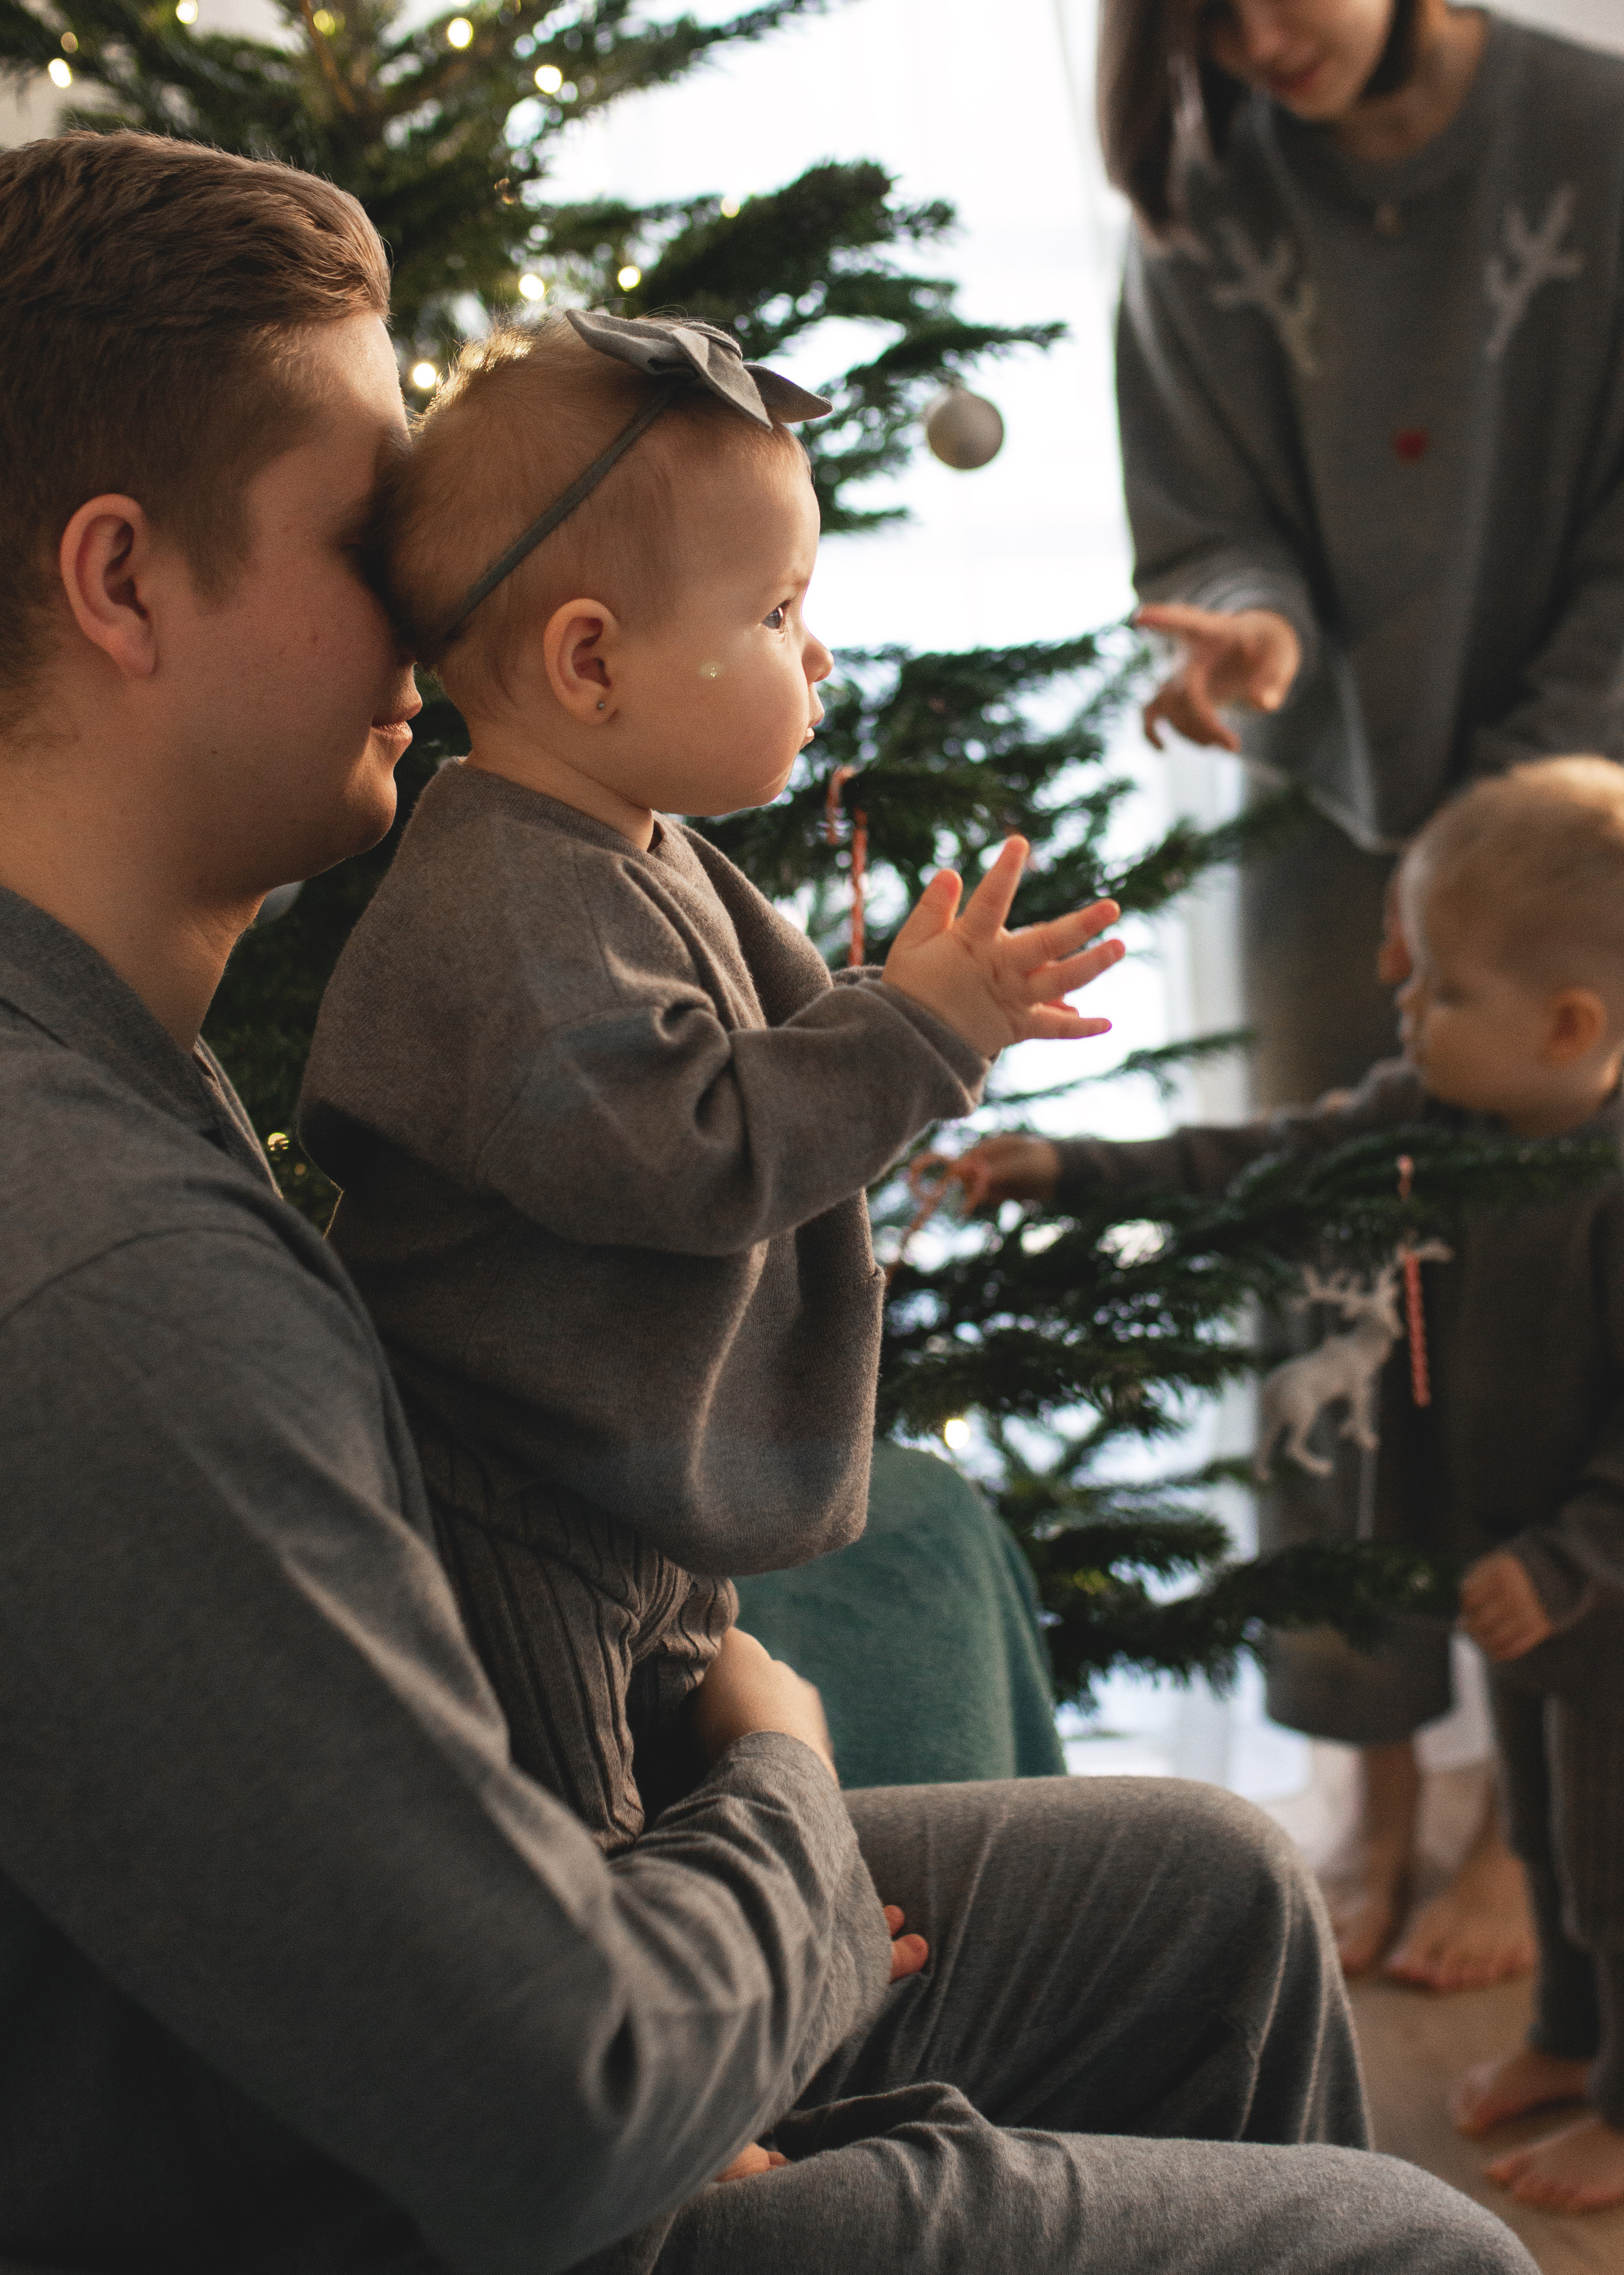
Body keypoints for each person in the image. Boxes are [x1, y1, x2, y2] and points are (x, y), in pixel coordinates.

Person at [0, 123, 1536, 2275]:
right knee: (1426, 2254)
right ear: (123, 579)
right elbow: (558, 2111)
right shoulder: (96, 1272)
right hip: (424, 2196)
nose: (447, 591)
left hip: (489, 2005)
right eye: (377, 524)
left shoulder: (121, 1064)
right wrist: (787, 1811)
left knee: (1206, 1895)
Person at [297, 310, 1123, 1855]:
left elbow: (781, 1046)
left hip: (622, 1476)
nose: (815, 653)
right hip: (507, 1499)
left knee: (678, 1726)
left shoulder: (634, 845)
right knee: (572, 1833)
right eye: (776, 610)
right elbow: (683, 1152)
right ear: (590, 659)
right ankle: (702, 2023)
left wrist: (937, 1005)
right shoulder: (509, 908)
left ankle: (759, 1921)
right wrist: (911, 1036)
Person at [1096, 0, 1624, 1986]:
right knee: (1329, 1331)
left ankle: (1530, 1815)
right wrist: (1255, 641)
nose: (1257, 46)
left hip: (1579, 832)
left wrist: (1520, 815)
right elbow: (1213, 518)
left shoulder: (1596, 136)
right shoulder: (1214, 206)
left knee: (1554, 1336)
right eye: (1208, 16)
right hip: (1329, 842)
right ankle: (1373, 1789)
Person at [948, 756, 1624, 2213]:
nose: (1399, 1008)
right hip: (1513, 1574)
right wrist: (1069, 1167)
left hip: (1590, 1578)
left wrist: (1560, 1566)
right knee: (1550, 1825)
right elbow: (1258, 1159)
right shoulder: (1429, 1122)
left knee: (1611, 1847)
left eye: (1436, 991)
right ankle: (1569, 2039)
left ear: (1570, 1026)